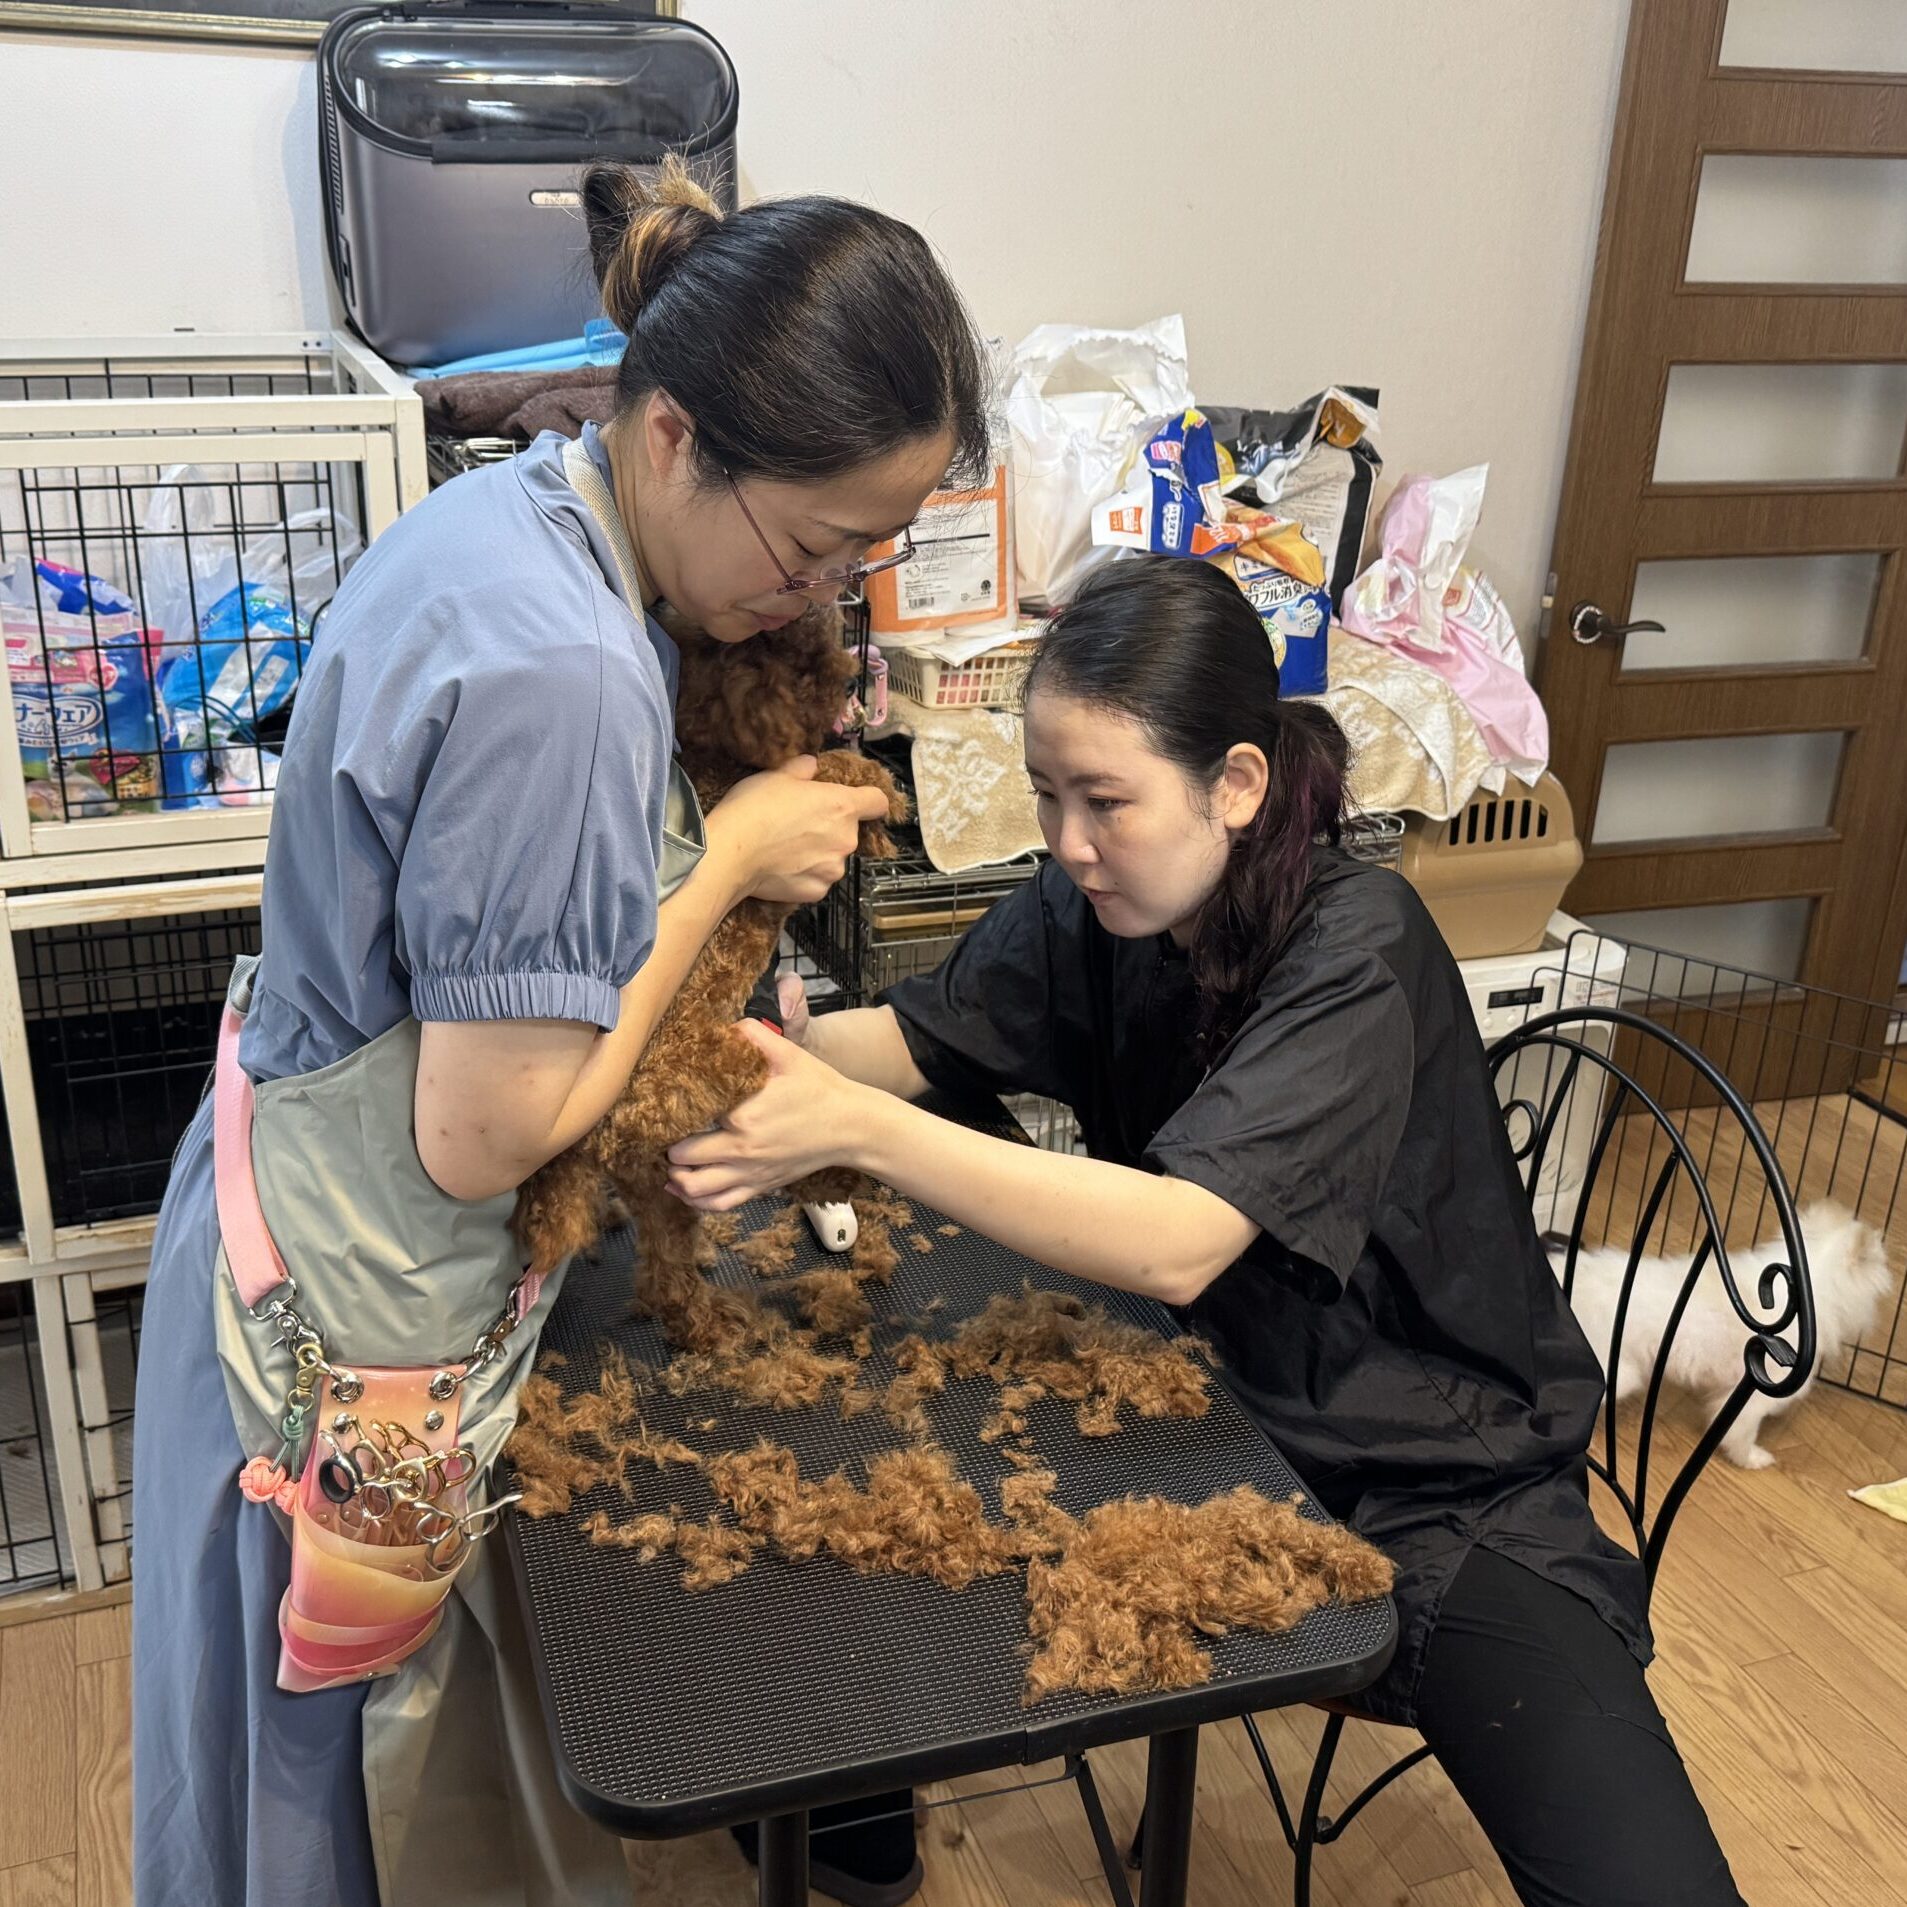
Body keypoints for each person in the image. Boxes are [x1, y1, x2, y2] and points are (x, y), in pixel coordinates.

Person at [131, 157, 985, 1907]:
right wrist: (731, 855)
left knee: (271, 1773)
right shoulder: (569, 672)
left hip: (267, 1202)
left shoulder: (514, 516)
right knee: (359, 1807)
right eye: (814, 546)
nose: (819, 595)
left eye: (867, 555)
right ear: (674, 436)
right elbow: (487, 1135)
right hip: (353, 1320)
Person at [667, 557, 1749, 1907]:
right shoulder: (1097, 907)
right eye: (1047, 795)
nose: (1068, 840)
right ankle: (852, 1818)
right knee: (830, 1457)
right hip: (1192, 1399)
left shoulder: (1358, 947)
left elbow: (1179, 1239)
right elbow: (909, 1044)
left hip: (1431, 1470)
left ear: (1235, 783)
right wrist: (720, 1057)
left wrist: (853, 1128)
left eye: (1105, 800)